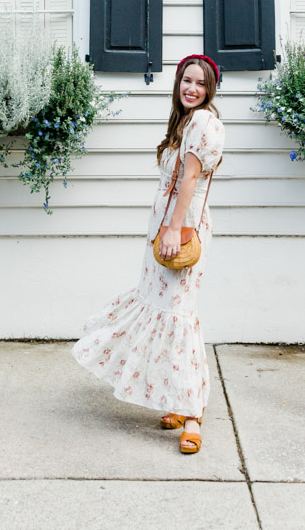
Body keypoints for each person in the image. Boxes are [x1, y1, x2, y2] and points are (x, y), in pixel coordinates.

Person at [72, 54, 225, 454]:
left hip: (182, 232)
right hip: (164, 232)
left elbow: (189, 179)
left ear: (210, 90)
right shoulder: (184, 124)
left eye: (201, 84)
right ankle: (181, 401)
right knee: (163, 312)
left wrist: (174, 228)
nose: (192, 88)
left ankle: (193, 413)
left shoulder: (205, 123)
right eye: (186, 81)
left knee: (179, 319)